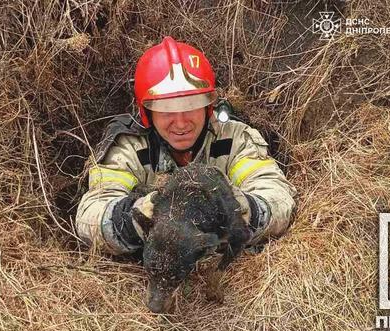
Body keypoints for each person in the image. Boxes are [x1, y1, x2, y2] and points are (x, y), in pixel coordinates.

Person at [75, 36, 296, 255]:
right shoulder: (128, 147)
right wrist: (146, 216)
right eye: (166, 109)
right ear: (147, 112)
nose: (180, 123)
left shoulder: (234, 138)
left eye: (191, 105)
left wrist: (236, 208)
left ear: (208, 107)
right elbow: (90, 217)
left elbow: (278, 199)